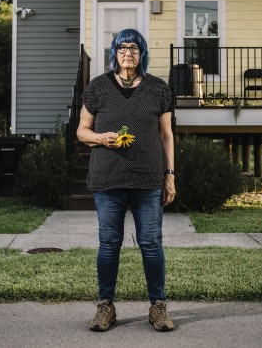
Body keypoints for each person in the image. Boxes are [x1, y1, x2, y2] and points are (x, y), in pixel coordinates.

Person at [77, 28, 176, 333]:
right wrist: (98, 138)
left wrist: (170, 175)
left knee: (151, 243)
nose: (128, 53)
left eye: (134, 48)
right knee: (109, 244)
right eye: (122, 48)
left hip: (148, 181)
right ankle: (105, 306)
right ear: (115, 53)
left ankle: (158, 306)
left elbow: (166, 135)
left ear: (141, 53)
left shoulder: (158, 89)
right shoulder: (97, 88)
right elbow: (81, 130)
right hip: (108, 180)